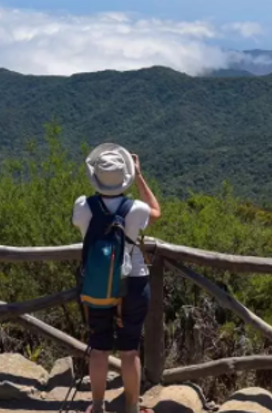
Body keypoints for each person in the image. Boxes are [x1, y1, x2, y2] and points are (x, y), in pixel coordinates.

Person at [72, 143, 162, 413]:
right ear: (126, 177)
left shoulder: (82, 207)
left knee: (99, 349)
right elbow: (156, 210)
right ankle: (132, 408)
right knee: (129, 350)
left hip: (96, 285)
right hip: (133, 284)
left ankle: (97, 406)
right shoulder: (135, 209)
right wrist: (141, 177)